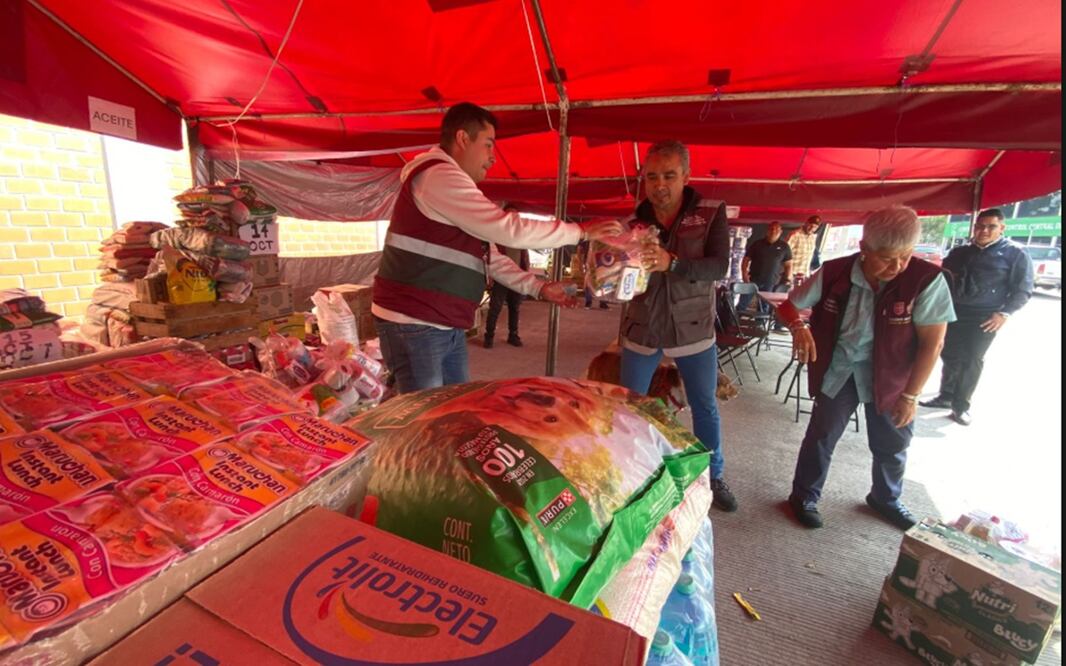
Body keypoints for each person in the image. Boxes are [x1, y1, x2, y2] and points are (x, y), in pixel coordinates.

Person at [372, 102, 622, 393]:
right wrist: (579, 232)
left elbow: (490, 257)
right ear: (463, 139)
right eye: (488, 145)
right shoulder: (438, 177)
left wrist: (538, 287)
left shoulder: (453, 189)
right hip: (415, 323)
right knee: (424, 418)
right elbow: (510, 230)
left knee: (452, 408)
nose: (493, 158)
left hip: (442, 323)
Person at [776, 206, 956, 531]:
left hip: (893, 376)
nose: (898, 266)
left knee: (893, 441)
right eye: (887, 258)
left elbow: (934, 344)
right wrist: (799, 328)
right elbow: (789, 306)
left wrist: (912, 395)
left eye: (905, 256)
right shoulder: (834, 273)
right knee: (821, 435)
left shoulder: (925, 281)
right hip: (841, 370)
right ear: (864, 248)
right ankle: (803, 497)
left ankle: (885, 498)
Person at [618, 140, 736, 512]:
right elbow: (622, 276)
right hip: (643, 325)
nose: (659, 185)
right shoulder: (635, 222)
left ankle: (712, 475)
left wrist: (674, 263)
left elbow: (719, 267)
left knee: (704, 405)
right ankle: (626, 472)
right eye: (652, 176)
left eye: (669, 175)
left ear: (686, 176)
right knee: (629, 406)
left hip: (693, 326)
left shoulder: (711, 214)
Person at [920, 209, 1034, 426]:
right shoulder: (959, 253)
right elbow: (943, 282)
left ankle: (960, 406)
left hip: (985, 315)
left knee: (972, 359)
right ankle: (946, 396)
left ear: (1002, 228)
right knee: (949, 353)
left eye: (991, 226)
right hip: (953, 312)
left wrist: (1004, 313)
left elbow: (1023, 289)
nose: (984, 231)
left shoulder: (1015, 253)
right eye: (980, 226)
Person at [483, 204, 530, 349]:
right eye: (509, 215)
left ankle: (513, 335)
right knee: (495, 307)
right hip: (500, 277)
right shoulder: (496, 234)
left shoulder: (520, 236)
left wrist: (525, 273)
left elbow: (525, 256)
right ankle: (489, 336)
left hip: (517, 277)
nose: (512, 218)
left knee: (514, 307)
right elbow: (490, 256)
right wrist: (490, 276)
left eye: (515, 215)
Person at [738, 221, 793, 317]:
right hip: (753, 279)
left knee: (764, 307)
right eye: (771, 229)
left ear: (780, 231)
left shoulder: (785, 247)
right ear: (767, 231)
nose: (773, 231)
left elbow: (788, 265)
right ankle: (733, 323)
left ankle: (760, 327)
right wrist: (744, 274)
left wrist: (787, 279)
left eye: (776, 229)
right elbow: (746, 260)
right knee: (743, 303)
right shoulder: (757, 244)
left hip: (771, 282)